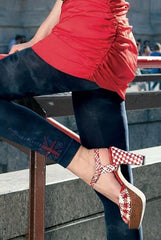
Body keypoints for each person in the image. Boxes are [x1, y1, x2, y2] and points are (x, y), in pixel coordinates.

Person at [0, 0, 146, 239]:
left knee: (110, 186)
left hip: (84, 37)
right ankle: (97, 168)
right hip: (111, 45)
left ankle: (84, 162)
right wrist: (36, 42)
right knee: (117, 196)